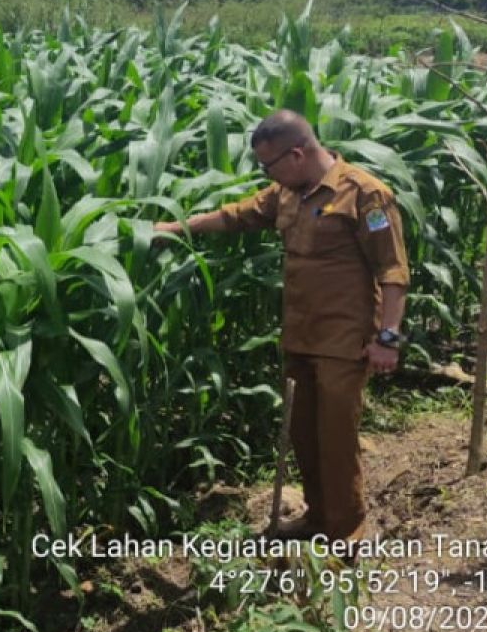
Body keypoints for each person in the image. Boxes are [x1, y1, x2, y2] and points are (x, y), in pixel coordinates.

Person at [154, 109, 410, 543]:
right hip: (300, 338)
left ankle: (345, 537)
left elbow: (393, 271)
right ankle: (317, 519)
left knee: (335, 442)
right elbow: (237, 215)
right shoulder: (288, 193)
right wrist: (178, 227)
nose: (265, 175)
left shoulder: (365, 194)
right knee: (304, 437)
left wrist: (387, 338)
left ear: (296, 154)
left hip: (343, 342)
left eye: (268, 165)